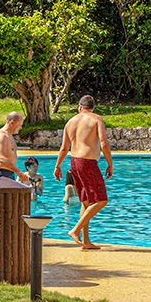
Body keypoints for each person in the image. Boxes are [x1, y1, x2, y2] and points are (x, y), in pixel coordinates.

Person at [53, 95, 112, 250]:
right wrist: (110, 164)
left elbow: (64, 148)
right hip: (88, 163)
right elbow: (104, 144)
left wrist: (57, 166)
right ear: (92, 107)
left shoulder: (70, 122)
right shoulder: (96, 119)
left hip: (74, 162)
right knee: (101, 200)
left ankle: (85, 241)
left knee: (85, 201)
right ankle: (75, 230)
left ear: (80, 107)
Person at [0, 111, 26, 180]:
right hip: (0, 173)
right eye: (20, 125)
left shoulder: (10, 136)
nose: (21, 127)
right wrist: (19, 172)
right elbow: (1, 158)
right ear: (12, 123)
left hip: (8, 172)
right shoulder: (2, 136)